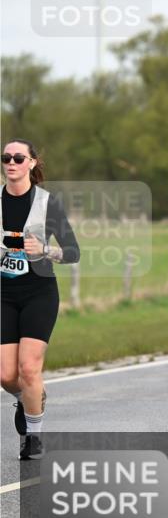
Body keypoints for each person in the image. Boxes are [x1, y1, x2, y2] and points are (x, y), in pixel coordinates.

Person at [1, 139, 80, 460]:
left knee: (29, 368)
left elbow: (73, 251)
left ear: (32, 163)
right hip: (3, 293)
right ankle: (29, 396)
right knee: (7, 375)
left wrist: (45, 250)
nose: (11, 162)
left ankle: (33, 436)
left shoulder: (48, 203)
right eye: (5, 157)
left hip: (39, 292)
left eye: (19, 158)